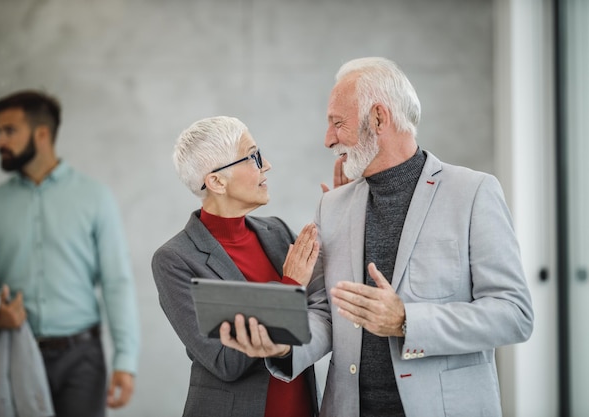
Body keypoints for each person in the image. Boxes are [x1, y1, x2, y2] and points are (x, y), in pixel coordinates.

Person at [221, 57, 534, 417]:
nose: (328, 139)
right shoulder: (332, 206)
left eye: (338, 123)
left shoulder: (473, 192)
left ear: (379, 119)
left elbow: (514, 314)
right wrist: (283, 345)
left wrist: (406, 321)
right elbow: (326, 313)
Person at [0, 90, 140, 417]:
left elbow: (117, 282)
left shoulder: (95, 197)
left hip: (82, 360)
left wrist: (125, 361)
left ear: (41, 134)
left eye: (9, 130)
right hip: (13, 352)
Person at [151, 116, 322, 417]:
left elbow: (325, 302)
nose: (266, 164)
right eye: (253, 156)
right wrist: (289, 287)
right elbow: (225, 362)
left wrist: (349, 206)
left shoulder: (278, 232)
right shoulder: (174, 260)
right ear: (216, 181)